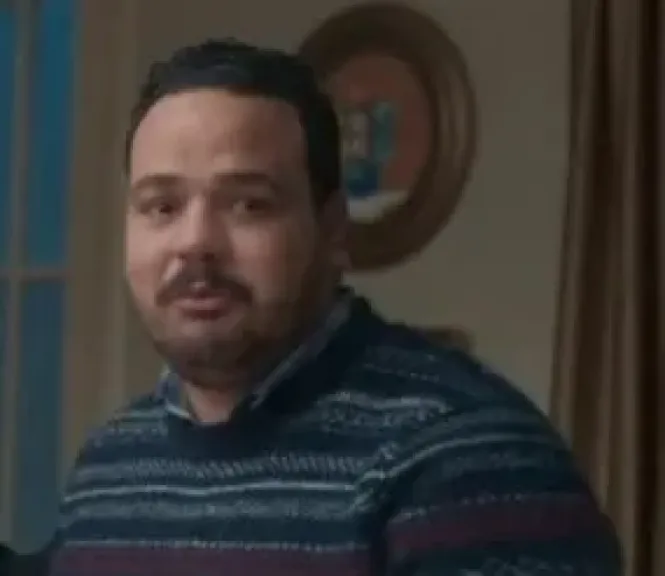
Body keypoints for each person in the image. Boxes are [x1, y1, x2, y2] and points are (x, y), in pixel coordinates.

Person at [47, 39, 621, 575]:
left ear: (333, 230)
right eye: (161, 206)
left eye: (249, 204)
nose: (195, 242)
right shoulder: (108, 470)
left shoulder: (467, 460)